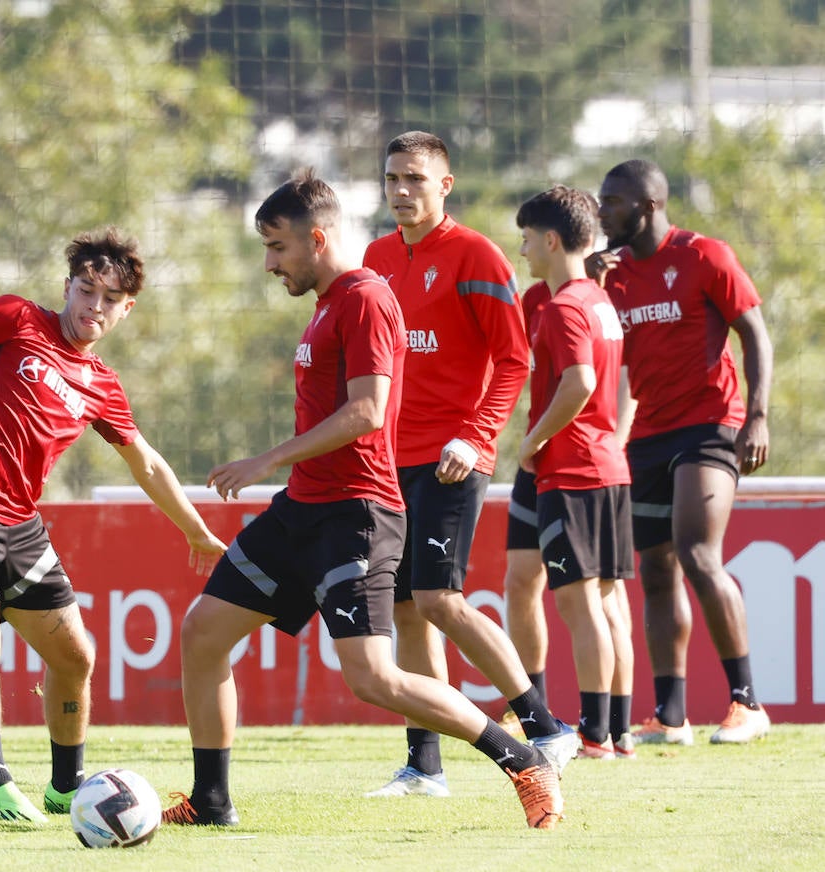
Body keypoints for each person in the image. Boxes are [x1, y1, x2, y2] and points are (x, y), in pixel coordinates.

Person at [162, 170, 563, 830]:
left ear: (317, 239)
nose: (269, 264)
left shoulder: (365, 299)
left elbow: (368, 412)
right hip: (302, 510)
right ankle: (211, 801)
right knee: (202, 632)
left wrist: (267, 459)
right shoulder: (328, 304)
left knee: (374, 679)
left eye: (278, 247)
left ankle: (521, 758)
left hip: (357, 517)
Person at [0, 227, 226, 825]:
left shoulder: (102, 387)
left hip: (20, 529)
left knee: (77, 659)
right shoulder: (16, 318)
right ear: (67, 287)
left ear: (127, 309)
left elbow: (145, 462)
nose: (93, 307)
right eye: (85, 290)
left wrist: (195, 531)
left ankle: (66, 791)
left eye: (109, 299)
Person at [361, 131, 575, 798]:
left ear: (444, 184)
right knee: (405, 608)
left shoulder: (476, 254)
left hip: (455, 457)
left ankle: (545, 725)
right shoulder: (374, 258)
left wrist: (477, 435)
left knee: (440, 599)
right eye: (393, 178)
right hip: (389, 458)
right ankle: (424, 764)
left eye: (416, 180)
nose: (402, 191)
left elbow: (514, 361)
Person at [588, 159, 773, 745]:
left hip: (712, 424)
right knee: (657, 570)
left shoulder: (703, 256)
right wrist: (587, 282)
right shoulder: (610, 277)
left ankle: (747, 703)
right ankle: (671, 717)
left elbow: (755, 333)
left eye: (611, 202)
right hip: (647, 435)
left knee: (698, 554)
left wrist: (759, 416)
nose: (601, 212)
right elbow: (590, 348)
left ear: (646, 206)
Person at [515, 186, 636, 759]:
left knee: (579, 605)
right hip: (609, 466)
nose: (523, 252)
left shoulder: (563, 306)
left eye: (526, 239)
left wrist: (533, 441)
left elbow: (581, 382)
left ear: (552, 239)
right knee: (609, 602)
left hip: (573, 471)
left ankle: (592, 735)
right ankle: (617, 732)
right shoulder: (599, 302)